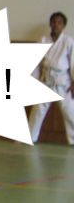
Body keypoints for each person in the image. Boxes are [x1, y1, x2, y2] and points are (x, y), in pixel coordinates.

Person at [28, 11, 74, 144]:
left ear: (63, 25)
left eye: (59, 22)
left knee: (70, 113)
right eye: (53, 22)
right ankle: (30, 137)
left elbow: (73, 62)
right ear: (50, 24)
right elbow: (37, 63)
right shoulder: (43, 40)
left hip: (63, 83)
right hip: (46, 80)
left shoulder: (68, 41)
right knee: (37, 111)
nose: (56, 25)